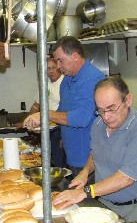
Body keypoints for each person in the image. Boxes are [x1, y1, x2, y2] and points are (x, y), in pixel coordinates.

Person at [52, 76, 137, 223]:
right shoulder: (98, 124)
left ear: (127, 100)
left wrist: (86, 192)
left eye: (111, 109)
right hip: (105, 206)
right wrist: (85, 171)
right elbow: (96, 152)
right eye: (100, 110)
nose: (106, 117)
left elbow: (125, 178)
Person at [23, 36, 104, 177]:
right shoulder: (67, 79)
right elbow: (63, 111)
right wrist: (52, 129)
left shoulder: (91, 78)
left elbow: (82, 118)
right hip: (71, 154)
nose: (58, 66)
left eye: (60, 61)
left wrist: (45, 114)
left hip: (88, 160)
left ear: (75, 56)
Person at [17, 56, 66, 167]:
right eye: (48, 68)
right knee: (46, 159)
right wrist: (26, 121)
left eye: (53, 67)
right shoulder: (45, 83)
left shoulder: (65, 82)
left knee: (58, 162)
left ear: (58, 67)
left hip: (60, 128)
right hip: (47, 128)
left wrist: (64, 136)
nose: (51, 71)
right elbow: (36, 105)